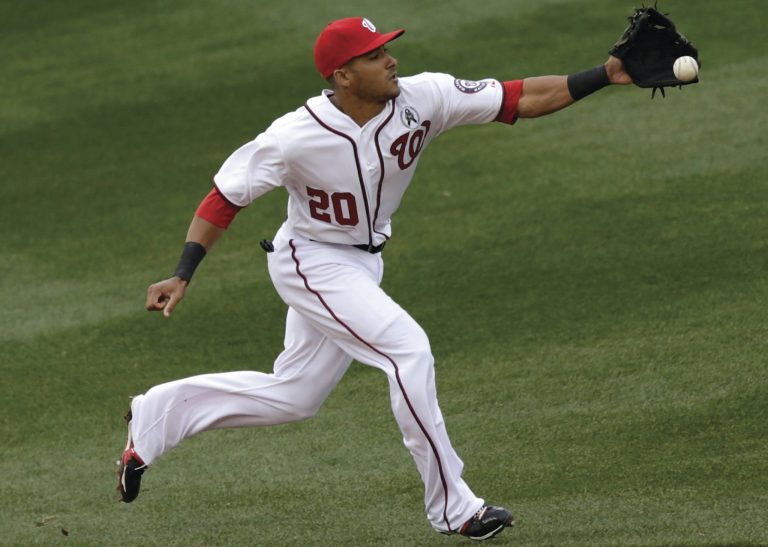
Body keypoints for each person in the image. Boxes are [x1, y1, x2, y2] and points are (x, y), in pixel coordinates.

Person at [118, 16, 631, 541]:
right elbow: (224, 197)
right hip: (310, 260)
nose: (391, 61)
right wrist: (183, 273)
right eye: (374, 55)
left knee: (296, 394)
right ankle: (455, 508)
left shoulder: (422, 98)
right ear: (342, 74)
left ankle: (156, 412)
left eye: (386, 50)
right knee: (407, 350)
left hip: (362, 263)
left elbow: (516, 98)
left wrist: (605, 74)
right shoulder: (294, 136)